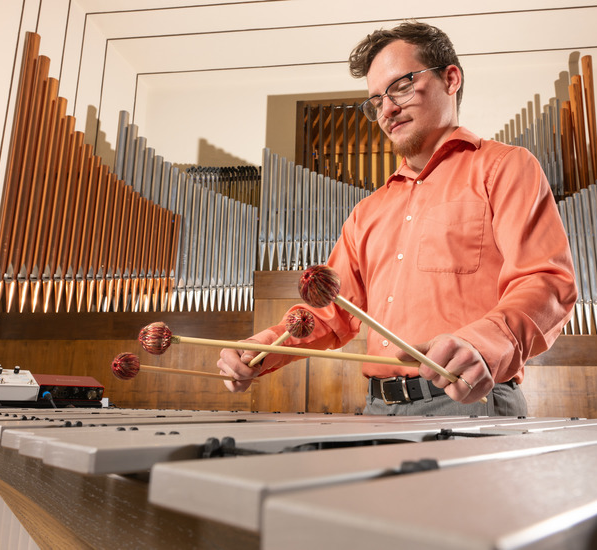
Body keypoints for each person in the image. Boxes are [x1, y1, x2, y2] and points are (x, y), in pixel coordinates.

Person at [218, 21, 577, 416]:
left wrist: (484, 342)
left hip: (471, 403)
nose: (387, 109)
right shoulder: (366, 212)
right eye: (375, 101)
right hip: (376, 407)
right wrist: (261, 349)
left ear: (450, 78)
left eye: (401, 86)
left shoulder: (505, 167)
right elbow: (331, 312)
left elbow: (546, 282)